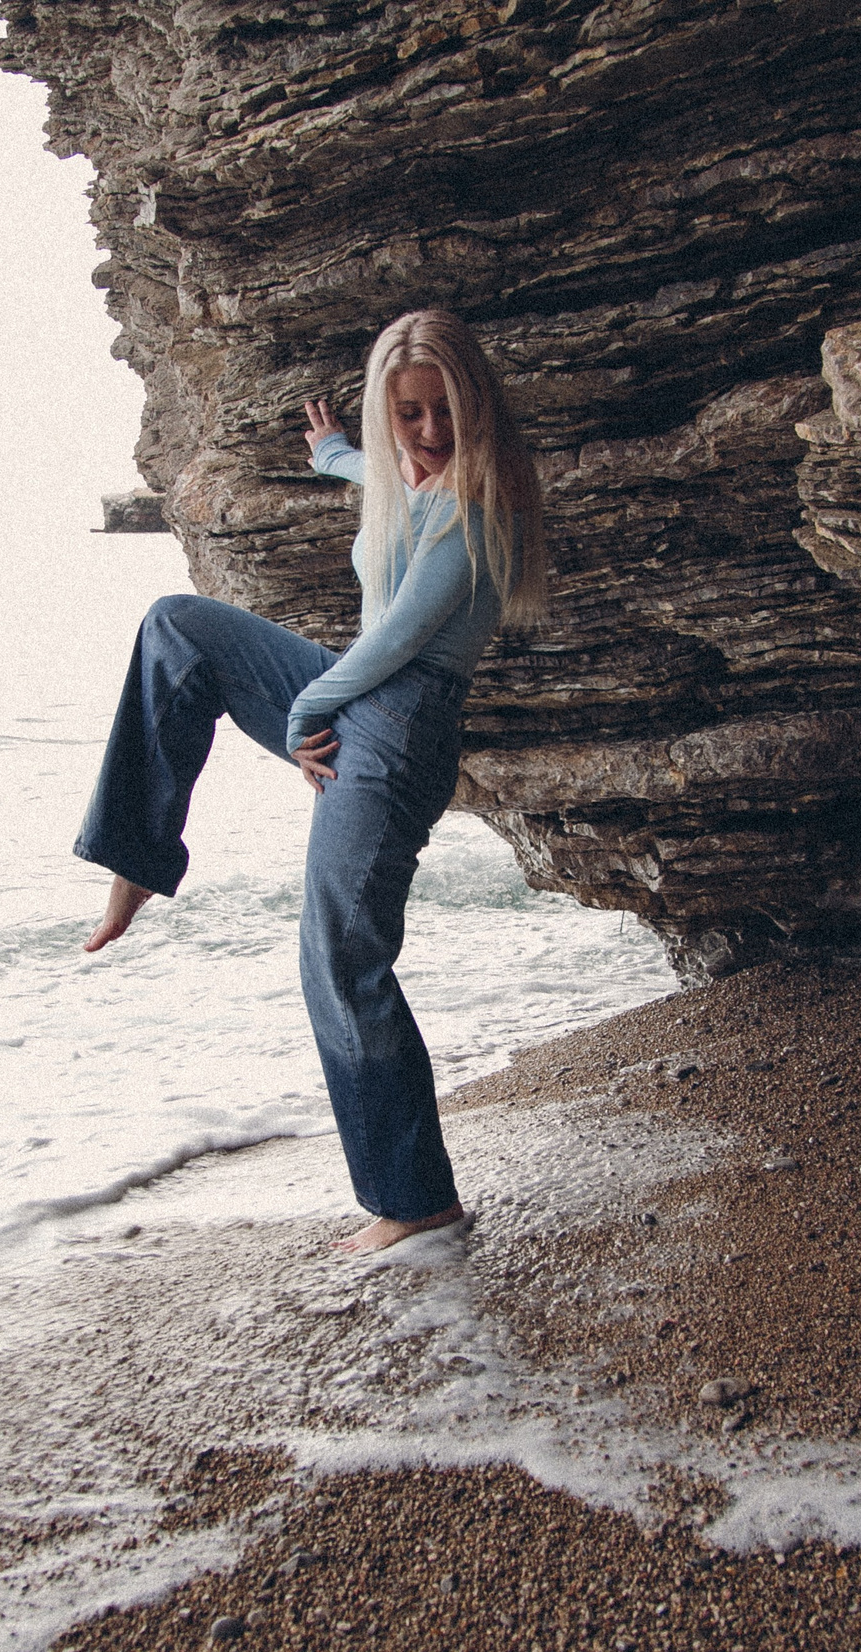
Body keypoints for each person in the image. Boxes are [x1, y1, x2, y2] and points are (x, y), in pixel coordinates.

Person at [73, 308, 551, 1254]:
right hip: (365, 698)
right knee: (178, 627)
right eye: (406, 414)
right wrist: (332, 448)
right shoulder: (404, 472)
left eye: (442, 410)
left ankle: (414, 1199)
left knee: (339, 954)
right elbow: (373, 475)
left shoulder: (476, 508)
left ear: (474, 402)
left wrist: (303, 716)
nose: (427, 433)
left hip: (401, 726)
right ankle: (135, 851)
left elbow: (397, 639)